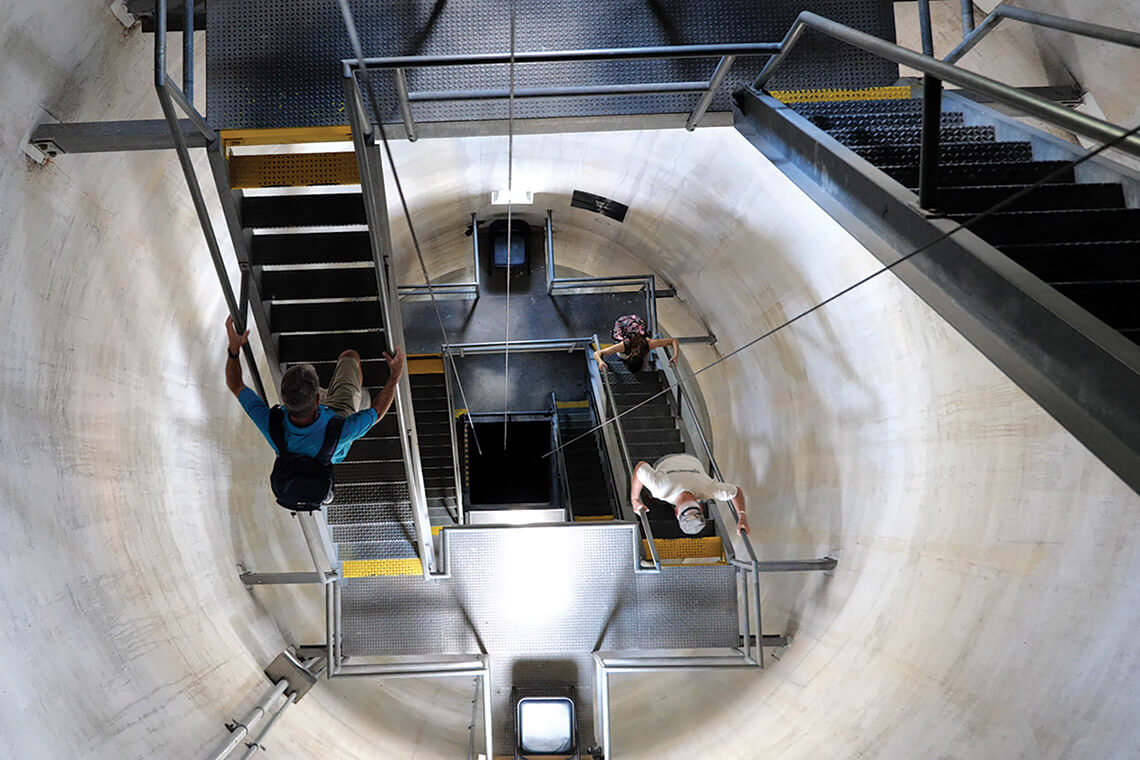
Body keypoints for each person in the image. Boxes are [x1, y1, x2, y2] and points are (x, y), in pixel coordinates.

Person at [224, 315, 406, 481]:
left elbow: (235, 384)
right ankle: (360, 397)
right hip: (339, 412)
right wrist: (395, 375)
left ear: (284, 401)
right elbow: (378, 411)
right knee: (350, 356)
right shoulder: (342, 430)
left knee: (353, 383)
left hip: (325, 444)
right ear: (318, 400)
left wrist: (233, 349)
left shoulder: (272, 424)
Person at [629, 453, 749, 536]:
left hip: (692, 459)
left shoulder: (709, 490)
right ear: (676, 512)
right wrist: (634, 499)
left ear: (701, 507)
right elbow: (640, 467)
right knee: (650, 492)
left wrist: (742, 516)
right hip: (665, 460)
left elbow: (736, 492)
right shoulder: (659, 490)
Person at [593, 314, 680, 373]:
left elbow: (674, 341)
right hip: (625, 323)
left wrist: (675, 356)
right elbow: (597, 353)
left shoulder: (647, 344)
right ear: (628, 357)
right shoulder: (624, 345)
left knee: (621, 353)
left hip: (635, 325)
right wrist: (600, 362)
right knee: (619, 354)